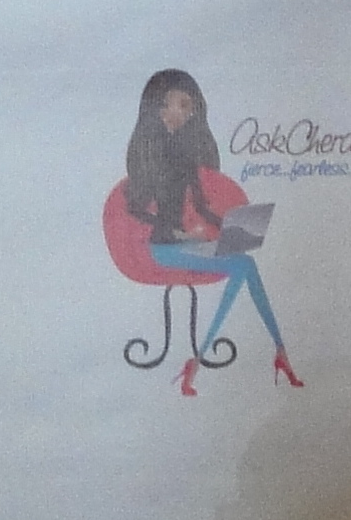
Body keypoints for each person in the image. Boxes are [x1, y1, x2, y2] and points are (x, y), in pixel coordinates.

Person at [122, 68, 299, 388]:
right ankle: (209, 357)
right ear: (159, 106)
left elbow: (202, 208)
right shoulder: (150, 154)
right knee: (243, 265)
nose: (184, 113)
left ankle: (276, 351)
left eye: (189, 108)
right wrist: (177, 233)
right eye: (179, 104)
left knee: (246, 263)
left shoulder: (186, 157)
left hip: (184, 243)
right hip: (163, 248)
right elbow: (135, 209)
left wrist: (232, 226)